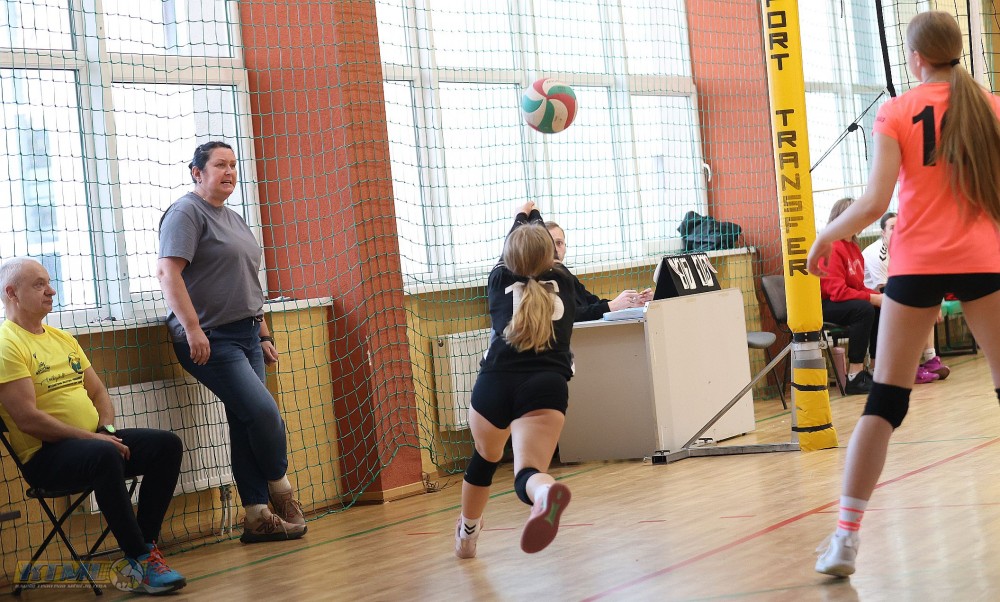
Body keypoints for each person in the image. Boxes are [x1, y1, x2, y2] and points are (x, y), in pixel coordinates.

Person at [808, 11, 1000, 577]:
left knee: (886, 401)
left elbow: (873, 204)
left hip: (916, 264)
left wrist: (825, 236)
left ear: (915, 58)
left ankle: (845, 540)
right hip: (983, 257)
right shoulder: (990, 106)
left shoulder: (896, 111)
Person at [0, 258, 186, 595]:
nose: (51, 290)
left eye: (49, 282)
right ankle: (140, 559)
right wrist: (95, 440)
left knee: (166, 445)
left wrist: (106, 431)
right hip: (46, 457)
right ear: (11, 293)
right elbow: (27, 419)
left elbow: (98, 392)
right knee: (104, 455)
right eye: (39, 284)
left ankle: (144, 549)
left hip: (94, 444)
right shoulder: (6, 344)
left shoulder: (62, 339)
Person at [157, 141, 306, 544]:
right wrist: (192, 328)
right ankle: (280, 489)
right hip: (211, 338)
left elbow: (246, 281)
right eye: (220, 165)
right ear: (197, 172)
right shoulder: (186, 213)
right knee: (263, 414)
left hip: (247, 334)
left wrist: (263, 333)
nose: (229, 172)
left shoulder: (234, 218)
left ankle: (256, 516)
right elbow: (168, 273)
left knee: (244, 421)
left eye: (233, 165)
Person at [455, 201, 575, 559]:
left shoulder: (498, 279)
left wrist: (522, 217)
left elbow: (517, 249)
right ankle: (543, 494)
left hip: (495, 384)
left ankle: (467, 536)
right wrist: (534, 218)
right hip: (546, 385)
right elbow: (541, 251)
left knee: (485, 458)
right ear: (551, 254)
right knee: (528, 472)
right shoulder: (566, 281)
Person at [862, 211, 950, 382]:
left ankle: (930, 360)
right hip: (874, 299)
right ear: (883, 233)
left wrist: (934, 303)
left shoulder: (907, 249)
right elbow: (886, 290)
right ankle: (910, 368)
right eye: (892, 228)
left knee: (925, 305)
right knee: (913, 310)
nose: (897, 232)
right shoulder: (878, 253)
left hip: (890, 295)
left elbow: (921, 281)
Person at [818, 198, 882, 395]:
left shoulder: (853, 247)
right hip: (825, 304)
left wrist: (882, 298)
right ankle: (854, 375)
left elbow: (858, 287)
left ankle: (876, 370)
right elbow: (837, 292)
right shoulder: (831, 246)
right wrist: (872, 298)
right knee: (864, 309)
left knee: (879, 307)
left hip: (843, 302)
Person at [545, 222, 652, 321]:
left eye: (559, 243)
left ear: (565, 247)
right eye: (550, 244)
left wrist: (630, 303)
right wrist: (612, 306)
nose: (555, 249)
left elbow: (593, 303)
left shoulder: (568, 277)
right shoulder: (542, 281)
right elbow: (568, 314)